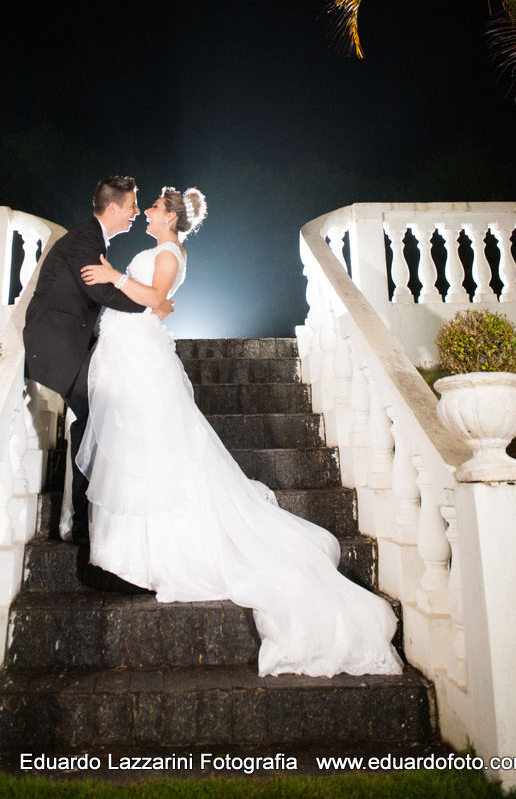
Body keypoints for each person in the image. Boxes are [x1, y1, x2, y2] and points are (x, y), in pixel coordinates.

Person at [78, 186, 402, 678]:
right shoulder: (164, 249)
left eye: (153, 208)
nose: (145, 212)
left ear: (170, 218)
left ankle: (164, 553)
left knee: (154, 450)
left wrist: (112, 275)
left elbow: (155, 296)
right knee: (138, 450)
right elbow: (159, 306)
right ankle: (135, 553)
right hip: (133, 353)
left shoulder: (168, 252)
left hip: (141, 360)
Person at [23, 176, 173, 543]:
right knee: (98, 418)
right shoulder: (84, 240)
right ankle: (80, 523)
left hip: (74, 342)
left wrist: (147, 299)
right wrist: (151, 302)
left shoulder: (92, 239)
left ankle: (85, 518)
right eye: (133, 205)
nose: (137, 212)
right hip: (57, 345)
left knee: (99, 418)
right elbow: (100, 288)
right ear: (113, 208)